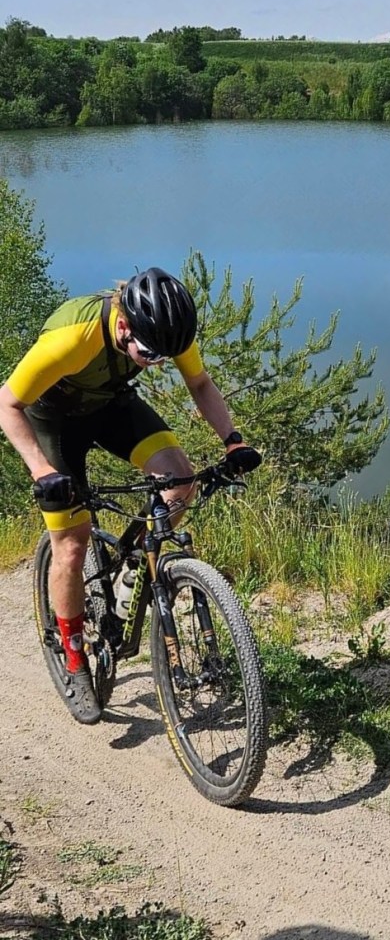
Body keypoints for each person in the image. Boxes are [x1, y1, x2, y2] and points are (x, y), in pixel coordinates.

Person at [0, 267, 261, 726]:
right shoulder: (73, 337)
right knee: (72, 543)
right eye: (149, 353)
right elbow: (7, 403)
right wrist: (42, 471)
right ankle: (74, 657)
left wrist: (232, 441)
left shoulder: (167, 331)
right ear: (123, 325)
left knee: (180, 481)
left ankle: (135, 564)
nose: (156, 361)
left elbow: (200, 383)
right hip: (52, 421)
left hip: (109, 407)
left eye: (165, 355)